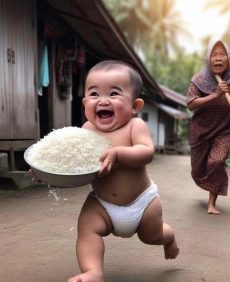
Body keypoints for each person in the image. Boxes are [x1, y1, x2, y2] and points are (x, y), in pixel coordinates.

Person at [32, 60, 179, 282]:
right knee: (87, 228)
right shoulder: (86, 131)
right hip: (103, 204)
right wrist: (46, 172)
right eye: (94, 94)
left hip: (142, 203)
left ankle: (169, 238)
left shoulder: (134, 126)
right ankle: (93, 272)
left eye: (113, 93)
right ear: (84, 103)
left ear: (135, 106)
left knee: (152, 236)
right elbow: (71, 165)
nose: (102, 100)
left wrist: (119, 153)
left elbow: (146, 151)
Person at [186, 40, 230, 214]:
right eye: (214, 55)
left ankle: (212, 203)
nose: (218, 58)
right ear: (208, 59)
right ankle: (210, 185)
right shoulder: (199, 79)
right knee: (197, 171)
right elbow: (191, 104)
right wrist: (215, 95)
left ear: (229, 58)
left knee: (216, 161)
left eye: (222, 54)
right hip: (200, 132)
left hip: (224, 131)